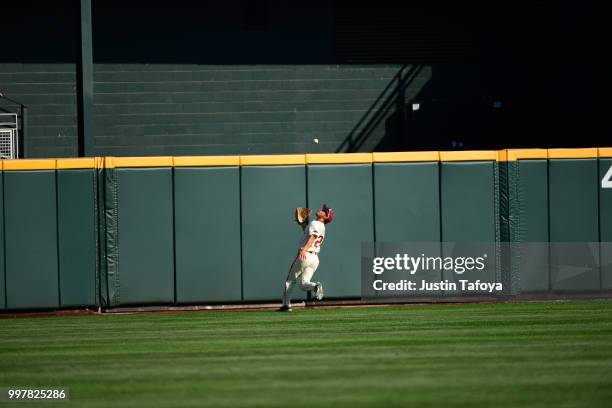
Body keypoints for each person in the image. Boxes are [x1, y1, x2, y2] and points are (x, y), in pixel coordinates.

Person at [278, 204, 334, 312]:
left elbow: (312, 237)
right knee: (303, 284)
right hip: (314, 259)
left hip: (305, 255)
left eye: (324, 211)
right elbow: (308, 233)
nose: (321, 210)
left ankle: (286, 305)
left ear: (325, 217)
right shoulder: (321, 226)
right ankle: (315, 286)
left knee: (290, 280)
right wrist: (302, 224)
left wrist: (303, 250)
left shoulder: (315, 223)